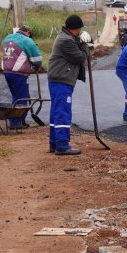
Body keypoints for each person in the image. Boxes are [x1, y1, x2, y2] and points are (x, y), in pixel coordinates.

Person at [47, 15, 90, 155]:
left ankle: (54, 143)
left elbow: (77, 46)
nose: (80, 32)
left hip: (59, 78)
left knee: (56, 112)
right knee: (62, 112)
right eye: (80, 30)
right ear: (76, 29)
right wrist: (86, 46)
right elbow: (80, 56)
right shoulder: (66, 41)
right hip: (62, 79)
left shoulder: (66, 37)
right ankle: (62, 145)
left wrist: (83, 41)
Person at [1, 25, 43, 129]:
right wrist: (37, 66)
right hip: (19, 74)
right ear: (28, 32)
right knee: (21, 99)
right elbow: (37, 59)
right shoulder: (27, 41)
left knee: (16, 97)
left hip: (7, 72)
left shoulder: (7, 38)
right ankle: (16, 123)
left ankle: (20, 120)